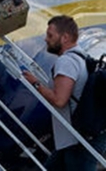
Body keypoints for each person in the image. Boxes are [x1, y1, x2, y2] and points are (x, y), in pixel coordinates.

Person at [22, 16, 106, 171]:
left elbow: (60, 100)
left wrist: (35, 83)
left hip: (79, 141)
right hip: (76, 139)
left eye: (50, 35)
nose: (46, 40)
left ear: (65, 37)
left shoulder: (66, 62)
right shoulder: (82, 56)